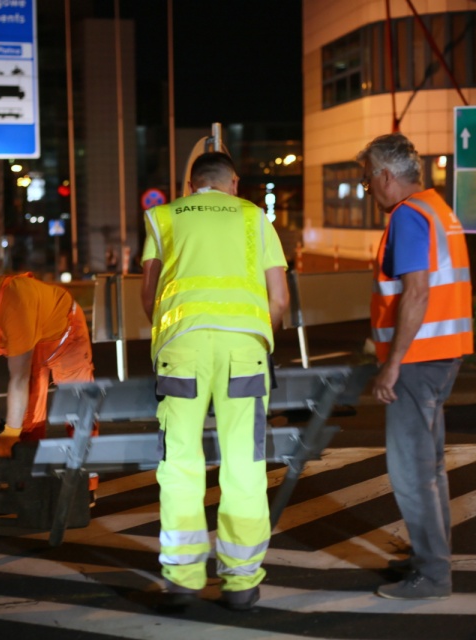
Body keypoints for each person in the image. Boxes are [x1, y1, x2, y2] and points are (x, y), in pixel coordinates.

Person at [140, 152, 289, 612]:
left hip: (182, 350)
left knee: (181, 461)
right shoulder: (255, 217)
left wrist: (172, 333)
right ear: (234, 182)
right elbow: (278, 298)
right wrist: (260, 339)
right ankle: (241, 582)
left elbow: (149, 296)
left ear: (191, 183)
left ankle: (183, 578)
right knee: (243, 462)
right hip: (243, 351)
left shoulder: (162, 218)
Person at [357, 133, 473, 600]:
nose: (367, 189)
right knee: (430, 467)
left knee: (411, 470)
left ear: (386, 175)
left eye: (368, 180)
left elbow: (417, 293)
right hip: (444, 353)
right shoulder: (437, 209)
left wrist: (392, 364)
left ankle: (432, 573)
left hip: (418, 359)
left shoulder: (408, 217)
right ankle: (430, 558)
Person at [0, 263, 95, 458]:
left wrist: (10, 433)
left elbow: (19, 378)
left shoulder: (14, 305)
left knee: (77, 406)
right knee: (27, 417)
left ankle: (86, 481)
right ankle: (31, 474)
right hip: (33, 334)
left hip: (64, 331)